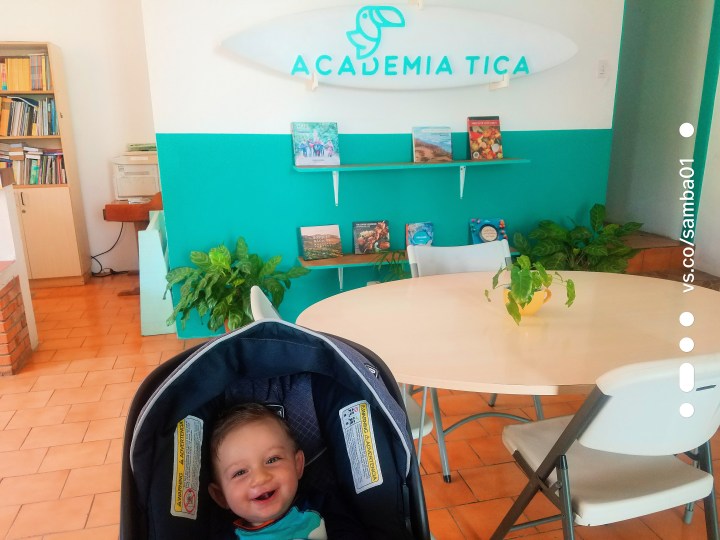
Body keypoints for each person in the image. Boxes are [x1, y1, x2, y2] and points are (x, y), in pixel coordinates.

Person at [208, 403, 327, 539]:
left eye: (272, 460)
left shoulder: (324, 507)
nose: (260, 477)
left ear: (297, 465)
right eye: (240, 472)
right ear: (221, 496)